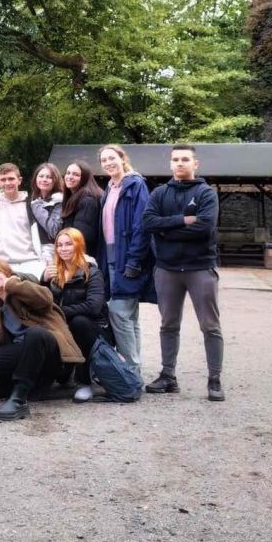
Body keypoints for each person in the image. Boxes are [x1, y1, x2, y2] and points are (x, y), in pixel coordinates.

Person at [142, 145, 224, 401]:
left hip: (200, 267)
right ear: (170, 164)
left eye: (185, 159)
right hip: (167, 269)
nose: (180, 163)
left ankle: (214, 380)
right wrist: (183, 220)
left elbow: (205, 227)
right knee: (168, 324)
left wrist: (165, 231)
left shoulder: (206, 193)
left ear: (195, 164)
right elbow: (148, 222)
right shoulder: (159, 193)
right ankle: (168, 376)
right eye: (175, 159)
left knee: (210, 326)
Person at [0, 258, 83, 421]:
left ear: (8, 274)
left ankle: (18, 399)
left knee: (34, 334)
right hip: (25, 353)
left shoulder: (22, 289)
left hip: (50, 348)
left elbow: (45, 298)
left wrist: (12, 284)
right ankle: (35, 386)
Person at [98, 144, 154, 378]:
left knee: (119, 314)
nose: (108, 163)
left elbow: (142, 225)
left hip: (127, 258)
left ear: (122, 158)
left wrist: (134, 260)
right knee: (130, 317)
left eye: (112, 158)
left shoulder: (135, 184)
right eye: (104, 160)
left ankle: (130, 371)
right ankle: (134, 370)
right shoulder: (109, 188)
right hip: (111, 258)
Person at [46, 228, 108, 403]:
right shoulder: (54, 272)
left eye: (68, 244)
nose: (63, 249)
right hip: (64, 325)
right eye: (59, 245)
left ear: (78, 245)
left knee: (79, 322)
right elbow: (47, 301)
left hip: (94, 327)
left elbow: (94, 307)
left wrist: (61, 312)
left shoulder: (91, 272)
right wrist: (44, 280)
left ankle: (84, 382)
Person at [0, 163, 48, 278]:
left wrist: (47, 262)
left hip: (33, 263)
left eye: (11, 179)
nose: (7, 183)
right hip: (2, 264)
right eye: (3, 180)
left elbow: (44, 237)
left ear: (19, 180)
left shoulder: (32, 204)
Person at [57, 161, 103, 258]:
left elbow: (81, 235)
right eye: (68, 173)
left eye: (76, 174)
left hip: (81, 256)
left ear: (84, 178)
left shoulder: (87, 201)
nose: (70, 177)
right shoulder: (74, 197)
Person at [29, 163, 65, 261]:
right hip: (32, 249)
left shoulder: (59, 202)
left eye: (49, 177)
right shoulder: (34, 200)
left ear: (55, 180)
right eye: (41, 176)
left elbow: (54, 230)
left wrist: (37, 207)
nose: (44, 179)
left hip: (51, 252)